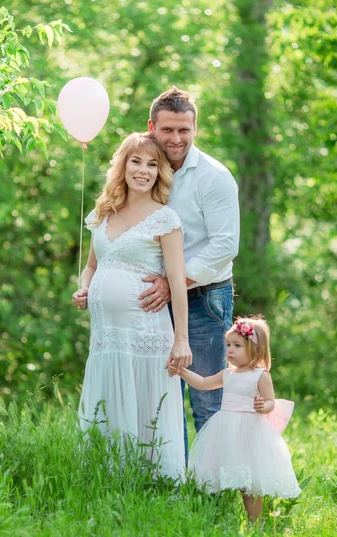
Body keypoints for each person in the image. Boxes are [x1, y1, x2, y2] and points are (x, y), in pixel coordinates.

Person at [72, 132, 192, 481]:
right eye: (136, 161)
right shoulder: (104, 212)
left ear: (160, 172)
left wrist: (181, 340)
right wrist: (84, 288)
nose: (143, 170)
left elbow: (177, 282)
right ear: (122, 166)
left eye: (152, 164)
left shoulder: (165, 219)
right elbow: (92, 266)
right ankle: (106, 479)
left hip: (146, 335)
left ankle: (153, 485)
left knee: (144, 404)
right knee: (109, 401)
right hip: (106, 339)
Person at [141, 87, 240, 458]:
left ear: (195, 128)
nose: (176, 139)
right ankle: (175, 482)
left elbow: (226, 245)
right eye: (167, 130)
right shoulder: (142, 170)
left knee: (207, 402)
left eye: (184, 130)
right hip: (153, 302)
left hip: (204, 300)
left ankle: (213, 493)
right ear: (152, 127)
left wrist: (173, 284)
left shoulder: (213, 177)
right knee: (161, 400)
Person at [168, 315, 300, 521]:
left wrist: (263, 406)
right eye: (228, 344)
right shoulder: (227, 374)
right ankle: (217, 514)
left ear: (255, 348)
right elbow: (203, 383)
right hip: (226, 430)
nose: (230, 350)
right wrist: (182, 372)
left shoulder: (260, 375)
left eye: (237, 345)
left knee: (250, 481)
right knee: (226, 473)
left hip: (250, 431)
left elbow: (271, 402)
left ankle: (254, 522)